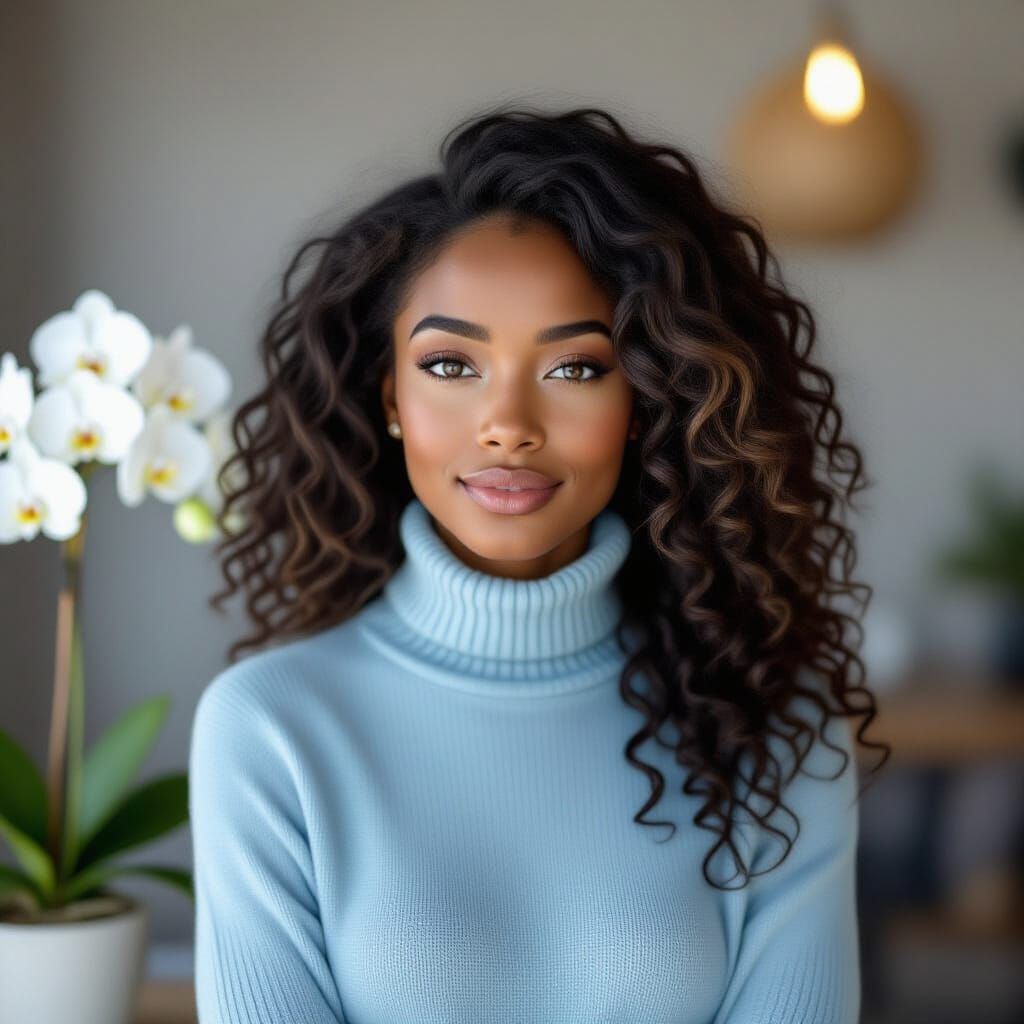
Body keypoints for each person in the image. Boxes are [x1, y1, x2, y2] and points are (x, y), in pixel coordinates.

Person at [189, 103, 890, 1023]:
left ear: (647, 399)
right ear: (388, 394)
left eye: (576, 369)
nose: (509, 423)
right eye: (450, 365)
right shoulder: (272, 731)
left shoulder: (780, 737)